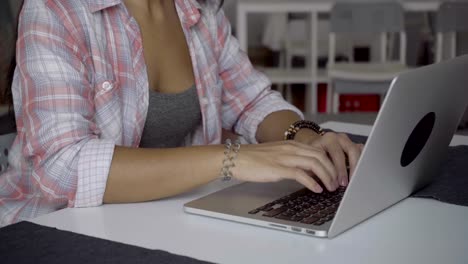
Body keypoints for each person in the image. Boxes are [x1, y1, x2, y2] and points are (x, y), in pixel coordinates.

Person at [0, 0, 363, 226]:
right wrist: (231, 159)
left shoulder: (199, 10)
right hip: (58, 227)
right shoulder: (56, 9)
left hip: (164, 219)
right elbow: (62, 166)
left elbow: (252, 100)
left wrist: (308, 139)